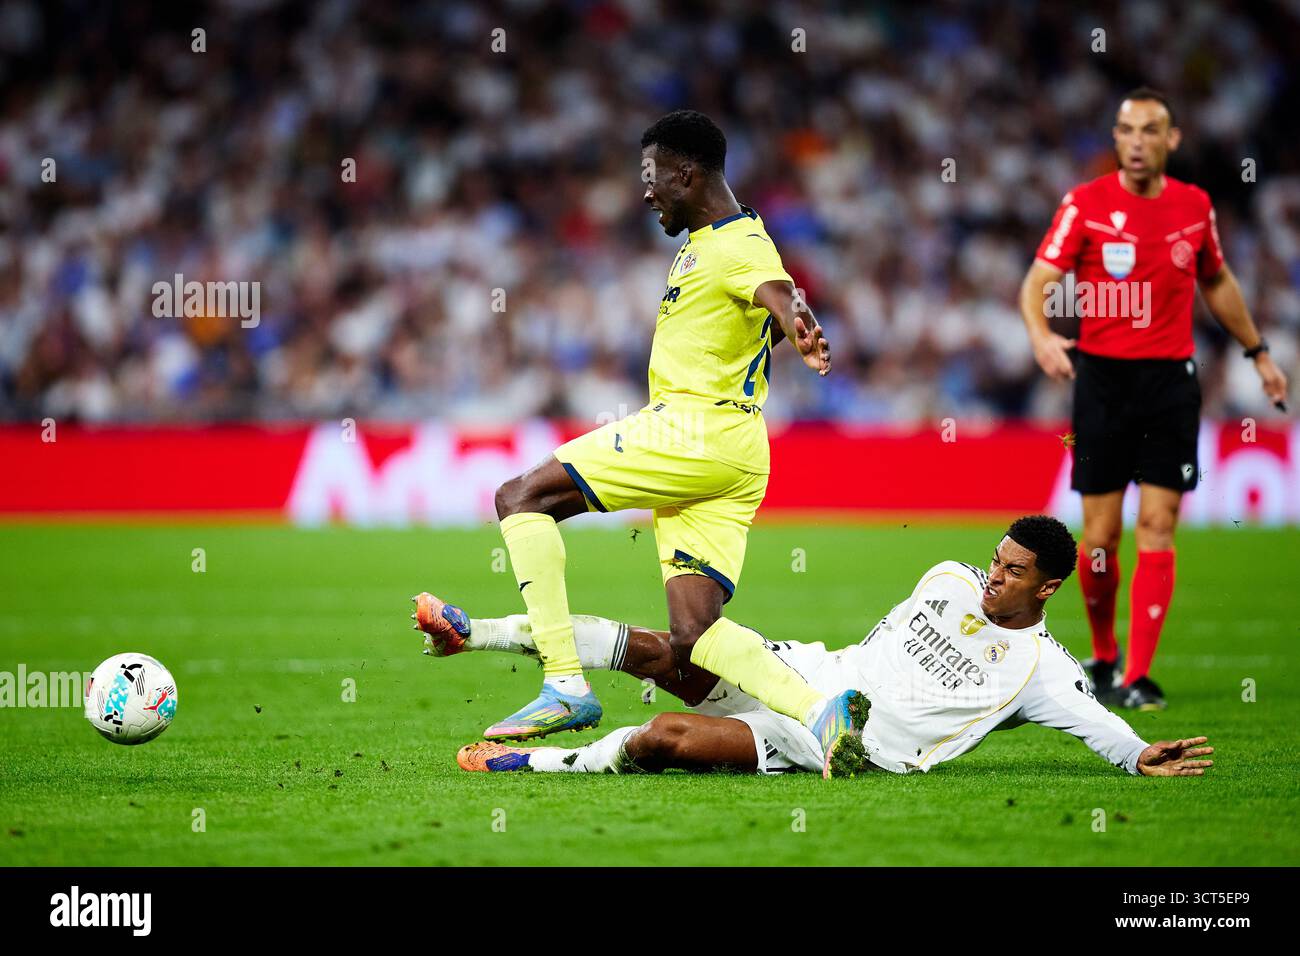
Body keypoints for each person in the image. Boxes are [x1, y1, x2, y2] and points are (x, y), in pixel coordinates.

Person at [415, 109, 871, 777]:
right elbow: (762, 308)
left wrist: (797, 321)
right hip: (737, 450)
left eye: (653, 176)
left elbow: (779, 293)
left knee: (521, 497)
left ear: (688, 174)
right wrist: (784, 326)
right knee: (696, 634)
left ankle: (565, 684)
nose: (647, 190)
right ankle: (821, 711)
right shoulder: (714, 241)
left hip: (691, 428)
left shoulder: (736, 243)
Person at [417, 516, 1213, 779]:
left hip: (821, 740)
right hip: (812, 672)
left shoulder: (1043, 671)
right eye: (996, 561)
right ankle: (476, 633)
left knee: (663, 739)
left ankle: (535, 765)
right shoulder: (947, 575)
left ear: (1047, 590)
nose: (992, 579)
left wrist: (1139, 754)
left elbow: (1092, 723)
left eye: (1013, 574)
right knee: (668, 648)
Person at [1018, 88, 1288, 710]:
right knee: (1101, 538)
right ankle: (1105, 655)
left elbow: (1215, 280)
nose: (1136, 140)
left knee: (1160, 527)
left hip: (1170, 384)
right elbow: (1039, 281)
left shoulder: (1195, 207)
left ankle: (1139, 674)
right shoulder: (1084, 204)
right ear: (1115, 139)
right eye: (1125, 129)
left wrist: (1259, 353)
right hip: (1103, 385)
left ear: (1172, 140)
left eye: (1149, 129)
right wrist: (1041, 335)